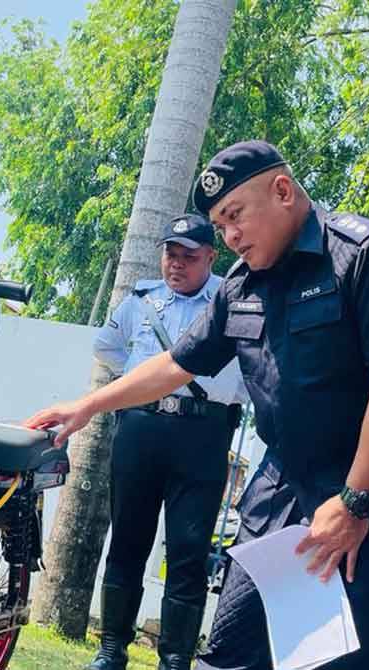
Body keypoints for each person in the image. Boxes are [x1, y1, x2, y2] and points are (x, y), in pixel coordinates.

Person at [26, 141, 369, 670]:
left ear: (282, 191)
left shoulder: (366, 255)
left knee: (329, 662)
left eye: (235, 216)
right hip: (280, 487)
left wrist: (356, 502)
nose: (230, 235)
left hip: (362, 492)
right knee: (230, 655)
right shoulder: (240, 285)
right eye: (220, 226)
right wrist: (87, 406)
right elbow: (178, 364)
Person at [86, 213, 247, 670]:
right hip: (141, 429)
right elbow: (107, 347)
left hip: (203, 433)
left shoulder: (231, 300)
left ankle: (174, 659)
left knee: (189, 548)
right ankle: (112, 648)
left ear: (211, 258)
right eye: (170, 255)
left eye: (188, 257)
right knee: (128, 539)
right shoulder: (141, 299)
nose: (176, 265)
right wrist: (138, 385)